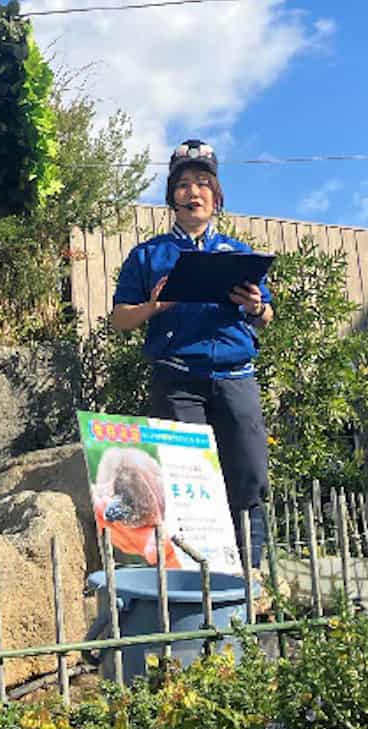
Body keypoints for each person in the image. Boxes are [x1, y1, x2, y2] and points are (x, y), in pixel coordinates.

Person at [110, 139, 274, 567]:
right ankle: (197, 579)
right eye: (184, 184)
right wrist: (154, 306)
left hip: (237, 377)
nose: (194, 191)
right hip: (177, 380)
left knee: (250, 477)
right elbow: (119, 319)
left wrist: (255, 305)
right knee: (186, 481)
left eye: (204, 182)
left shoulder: (241, 254)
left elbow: (266, 315)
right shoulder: (148, 255)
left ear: (216, 197)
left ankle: (251, 576)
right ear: (172, 198)